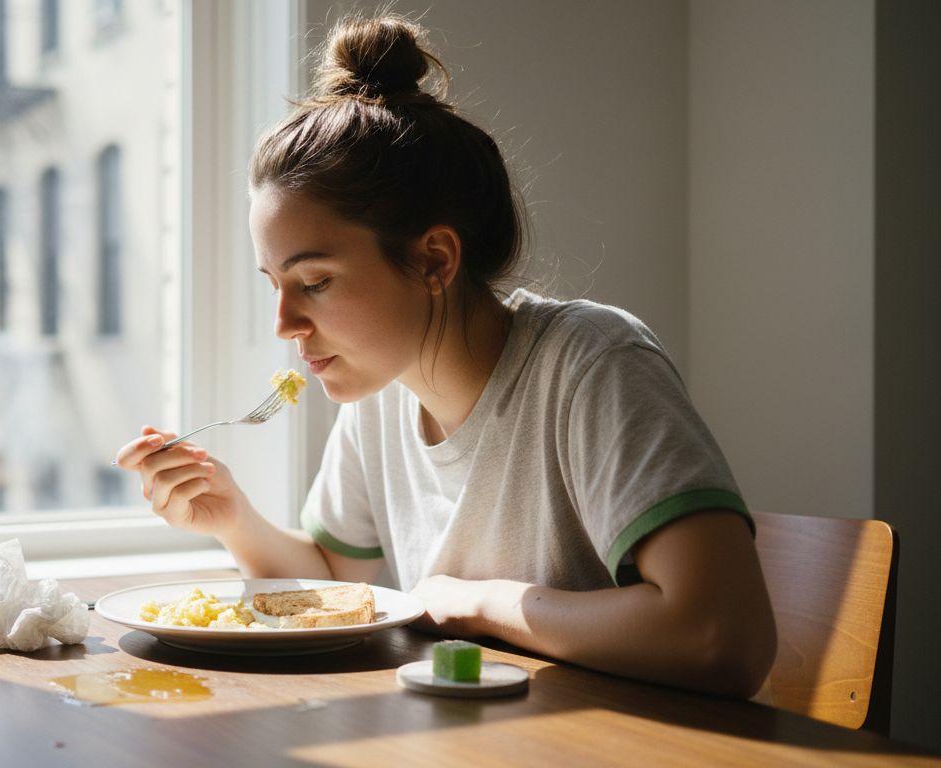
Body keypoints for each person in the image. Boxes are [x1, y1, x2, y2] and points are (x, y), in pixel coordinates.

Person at [114, 12, 776, 698]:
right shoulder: (383, 397)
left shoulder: (591, 365)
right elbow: (338, 582)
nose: (285, 323)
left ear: (434, 260)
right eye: (275, 285)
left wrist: (482, 603)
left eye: (314, 283)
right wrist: (231, 517)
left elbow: (722, 637)